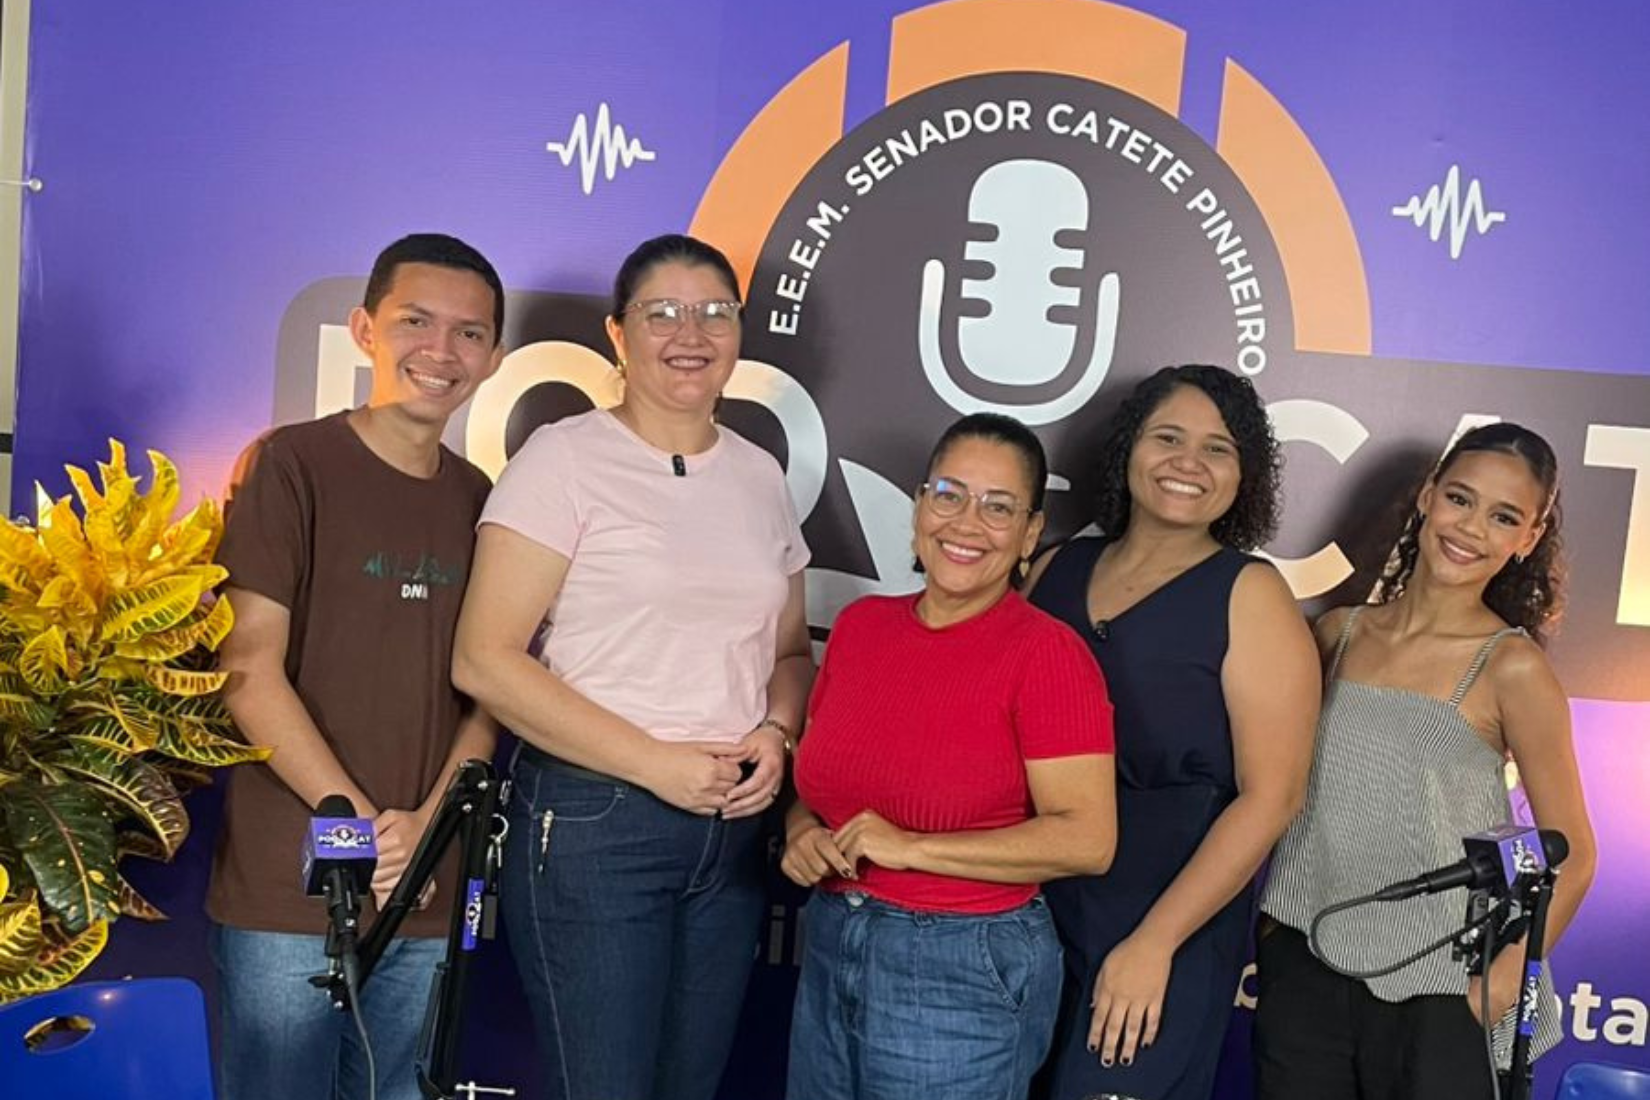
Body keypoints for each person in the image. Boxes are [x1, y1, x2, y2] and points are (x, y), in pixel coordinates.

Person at [451, 234, 810, 1100]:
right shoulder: (563, 458)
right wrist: (654, 764)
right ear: (618, 333)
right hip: (596, 822)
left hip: (729, 832)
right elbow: (484, 660)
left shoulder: (759, 474)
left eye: (714, 311)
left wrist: (776, 731)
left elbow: (791, 651)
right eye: (663, 312)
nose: (692, 333)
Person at [207, 233, 506, 1100]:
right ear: (365, 329)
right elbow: (247, 668)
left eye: (469, 333)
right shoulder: (291, 464)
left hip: (424, 887)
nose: (440, 351)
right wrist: (362, 826)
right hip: (292, 888)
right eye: (416, 321)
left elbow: (490, 692)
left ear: (493, 355)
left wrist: (428, 829)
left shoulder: (484, 501)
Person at [1254, 421, 1596, 1100]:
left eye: (1504, 517)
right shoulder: (1337, 633)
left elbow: (1573, 852)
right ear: (1428, 495)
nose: (1471, 528)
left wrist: (1502, 980)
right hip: (1307, 956)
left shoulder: (1512, 667)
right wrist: (1275, 928)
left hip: (1441, 982)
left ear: (1528, 539)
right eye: (1460, 499)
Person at [782, 412, 1119, 1100]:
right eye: (949, 494)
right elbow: (817, 786)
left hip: (963, 961)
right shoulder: (861, 627)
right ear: (919, 506)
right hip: (832, 939)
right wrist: (800, 833)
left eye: (998, 507)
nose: (967, 522)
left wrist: (912, 848)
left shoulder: (1047, 654)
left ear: (1029, 533)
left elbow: (1089, 840)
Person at [1027, 363, 1321, 1100]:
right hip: (1027, 915)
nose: (1188, 462)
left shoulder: (1251, 594)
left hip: (1166, 925)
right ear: (1129, 448)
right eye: (1168, 438)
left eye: (1218, 448)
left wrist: (1155, 944)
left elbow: (1273, 797)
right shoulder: (1054, 569)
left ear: (1244, 476)